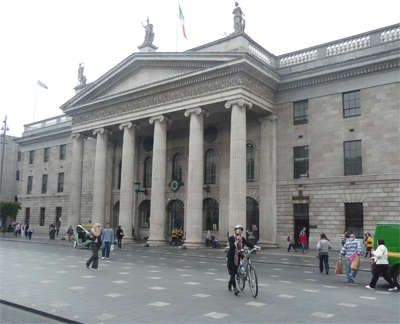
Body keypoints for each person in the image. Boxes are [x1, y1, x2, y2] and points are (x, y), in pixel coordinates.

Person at [227, 225, 261, 296]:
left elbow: (248, 243)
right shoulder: (231, 238)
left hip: (239, 257)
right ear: (235, 230)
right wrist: (236, 241)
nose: (239, 231)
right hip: (231, 257)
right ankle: (235, 288)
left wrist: (255, 246)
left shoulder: (242, 239)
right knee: (232, 272)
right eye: (238, 229)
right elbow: (232, 247)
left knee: (235, 272)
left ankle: (230, 283)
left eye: (241, 230)